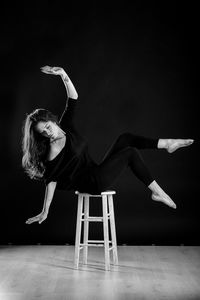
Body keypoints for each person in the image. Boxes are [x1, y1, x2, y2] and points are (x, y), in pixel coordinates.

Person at [22, 66, 194, 225]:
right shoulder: (53, 149)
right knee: (130, 153)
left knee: (125, 138)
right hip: (93, 183)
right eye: (43, 133)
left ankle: (167, 144)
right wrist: (45, 212)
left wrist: (62, 74)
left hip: (96, 171)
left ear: (51, 120)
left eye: (47, 127)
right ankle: (158, 192)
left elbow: (73, 98)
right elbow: (50, 180)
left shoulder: (65, 127)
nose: (48, 132)